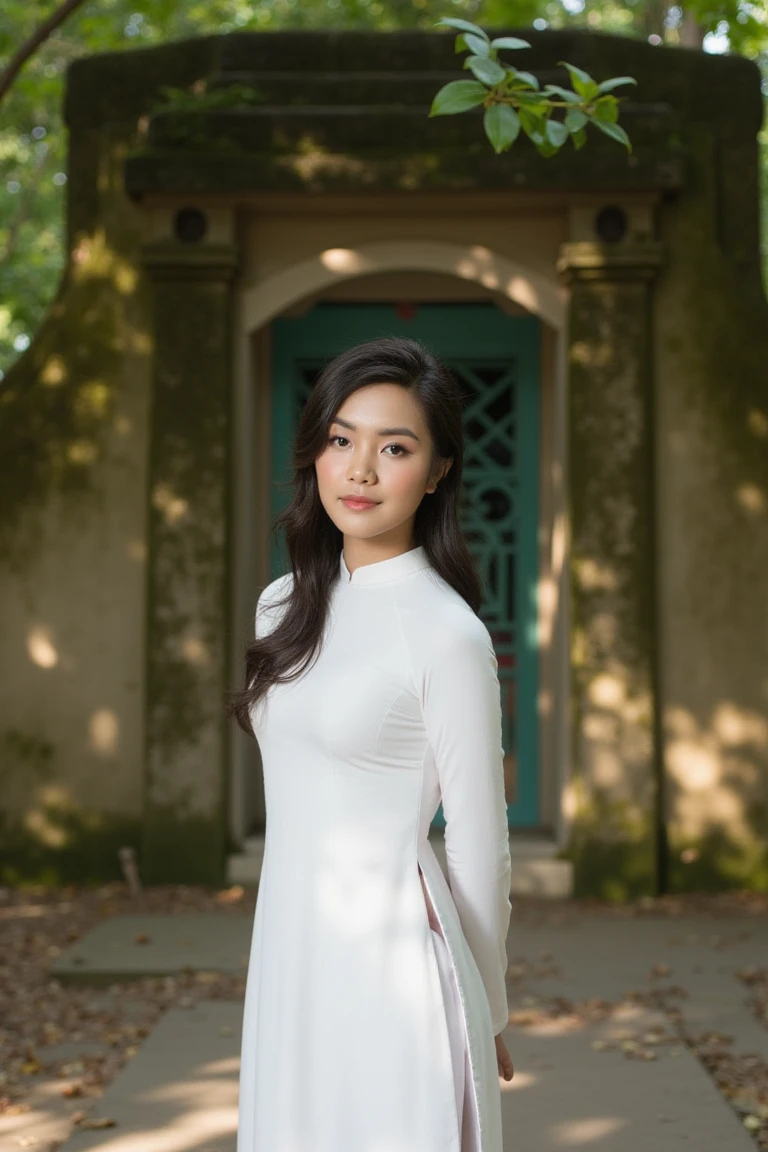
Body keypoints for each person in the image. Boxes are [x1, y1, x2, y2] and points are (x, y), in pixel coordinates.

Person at [230, 335, 514, 1152]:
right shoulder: (280, 608)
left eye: (394, 448)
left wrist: (485, 1005)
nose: (359, 470)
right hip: (290, 952)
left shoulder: (446, 634)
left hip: (396, 969)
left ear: (438, 471)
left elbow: (481, 844)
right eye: (340, 439)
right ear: (315, 450)